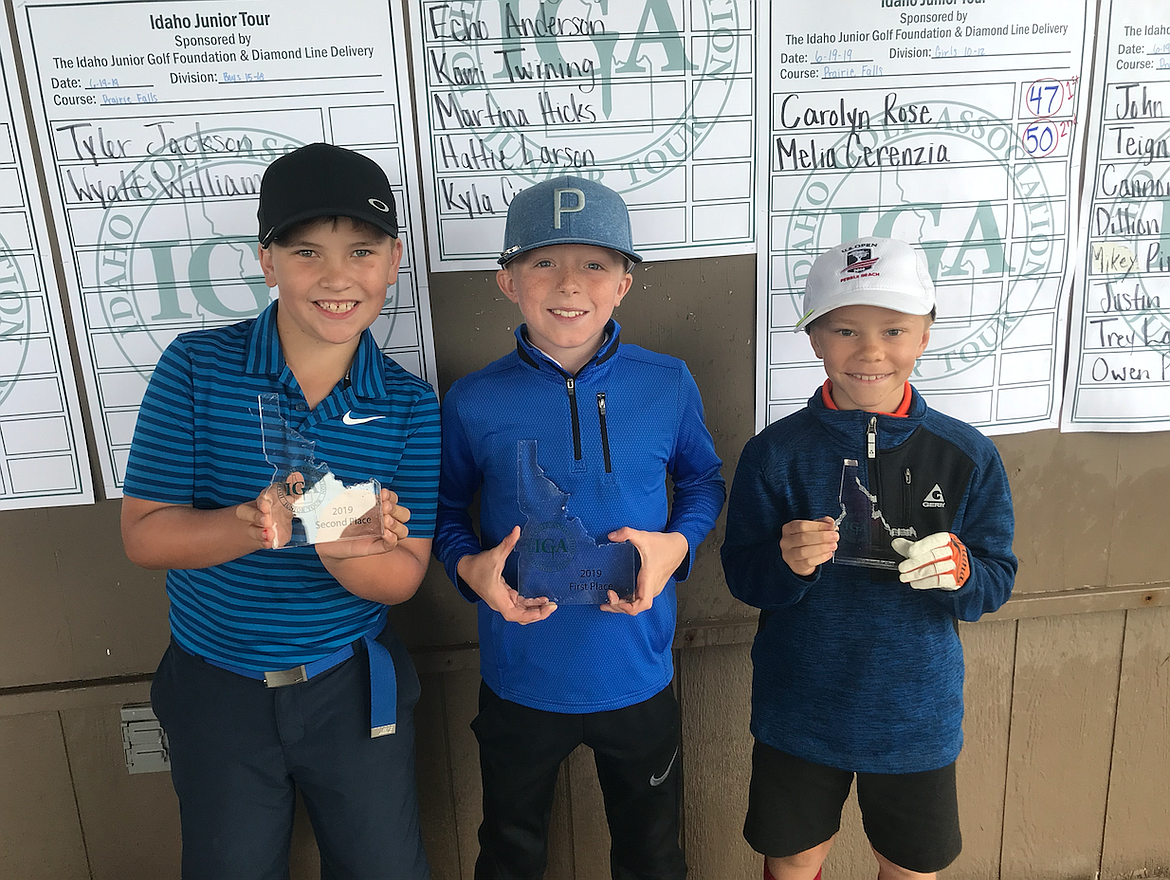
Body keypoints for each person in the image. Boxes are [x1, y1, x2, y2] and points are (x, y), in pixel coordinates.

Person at [120, 142, 439, 880]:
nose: (337, 278)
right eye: (306, 252)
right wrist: (246, 520)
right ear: (267, 262)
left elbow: (403, 577)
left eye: (362, 251)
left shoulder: (410, 405)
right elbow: (144, 537)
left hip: (352, 685)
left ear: (393, 261)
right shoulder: (195, 369)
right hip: (216, 686)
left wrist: (342, 551)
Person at [434, 175, 726, 879]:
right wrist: (468, 569)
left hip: (637, 671)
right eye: (543, 262)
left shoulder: (668, 383)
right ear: (507, 280)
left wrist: (676, 544)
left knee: (654, 855)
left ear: (624, 282)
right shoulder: (474, 400)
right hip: (521, 674)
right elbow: (445, 516)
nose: (570, 284)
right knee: (509, 851)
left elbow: (704, 481)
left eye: (594, 263)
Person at [721, 237, 1017, 880]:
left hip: (915, 710)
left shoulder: (966, 453)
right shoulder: (774, 453)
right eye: (846, 329)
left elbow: (998, 576)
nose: (872, 350)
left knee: (912, 866)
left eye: (894, 329)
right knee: (793, 862)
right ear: (815, 339)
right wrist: (784, 563)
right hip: (800, 705)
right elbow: (742, 574)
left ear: (926, 334)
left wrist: (963, 574)